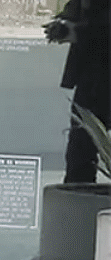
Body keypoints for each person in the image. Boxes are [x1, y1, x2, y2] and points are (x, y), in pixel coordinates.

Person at [49, 0, 109, 183]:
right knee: (80, 152)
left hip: (97, 75)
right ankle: (78, 204)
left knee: (81, 152)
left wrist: (76, 32)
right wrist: (64, 22)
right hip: (92, 77)